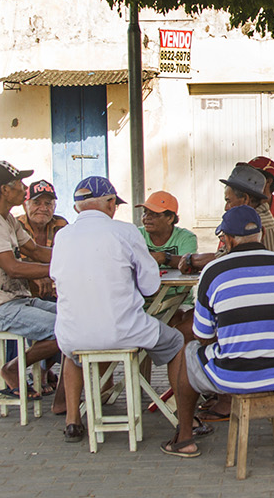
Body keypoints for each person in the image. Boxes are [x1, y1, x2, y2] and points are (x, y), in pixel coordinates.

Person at [165, 205, 274, 458]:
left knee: (188, 351)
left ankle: (184, 439)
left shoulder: (212, 271)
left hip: (229, 378)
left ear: (227, 238)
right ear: (260, 234)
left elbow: (202, 336)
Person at [49, 176, 188, 443]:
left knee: (72, 351)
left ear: (78, 207)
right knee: (176, 342)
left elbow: (57, 278)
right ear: (111, 203)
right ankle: (184, 419)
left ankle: (73, 421)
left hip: (73, 334)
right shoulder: (125, 232)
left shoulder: (62, 236)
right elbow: (149, 287)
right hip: (123, 331)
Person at [0, 160, 60, 399]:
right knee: (64, 330)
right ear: (5, 190)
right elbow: (13, 268)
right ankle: (13, 368)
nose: (24, 187)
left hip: (18, 301)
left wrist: (72, 256)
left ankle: (39, 370)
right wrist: (58, 269)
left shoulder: (7, 219)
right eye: (19, 182)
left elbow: (36, 251)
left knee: (76, 317)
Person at [139, 189, 199, 337]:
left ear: (170, 218)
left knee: (178, 324)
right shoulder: (137, 235)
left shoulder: (186, 238)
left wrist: (164, 258)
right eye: (145, 213)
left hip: (176, 301)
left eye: (154, 214)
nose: (147, 218)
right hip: (142, 303)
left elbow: (189, 264)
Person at [17, 180, 68, 301]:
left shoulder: (61, 225)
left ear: (54, 206)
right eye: (36, 203)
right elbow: (10, 264)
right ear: (25, 205)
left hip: (56, 294)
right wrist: (35, 275)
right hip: (22, 294)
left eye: (48, 203)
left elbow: (67, 259)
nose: (43, 208)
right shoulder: (15, 226)